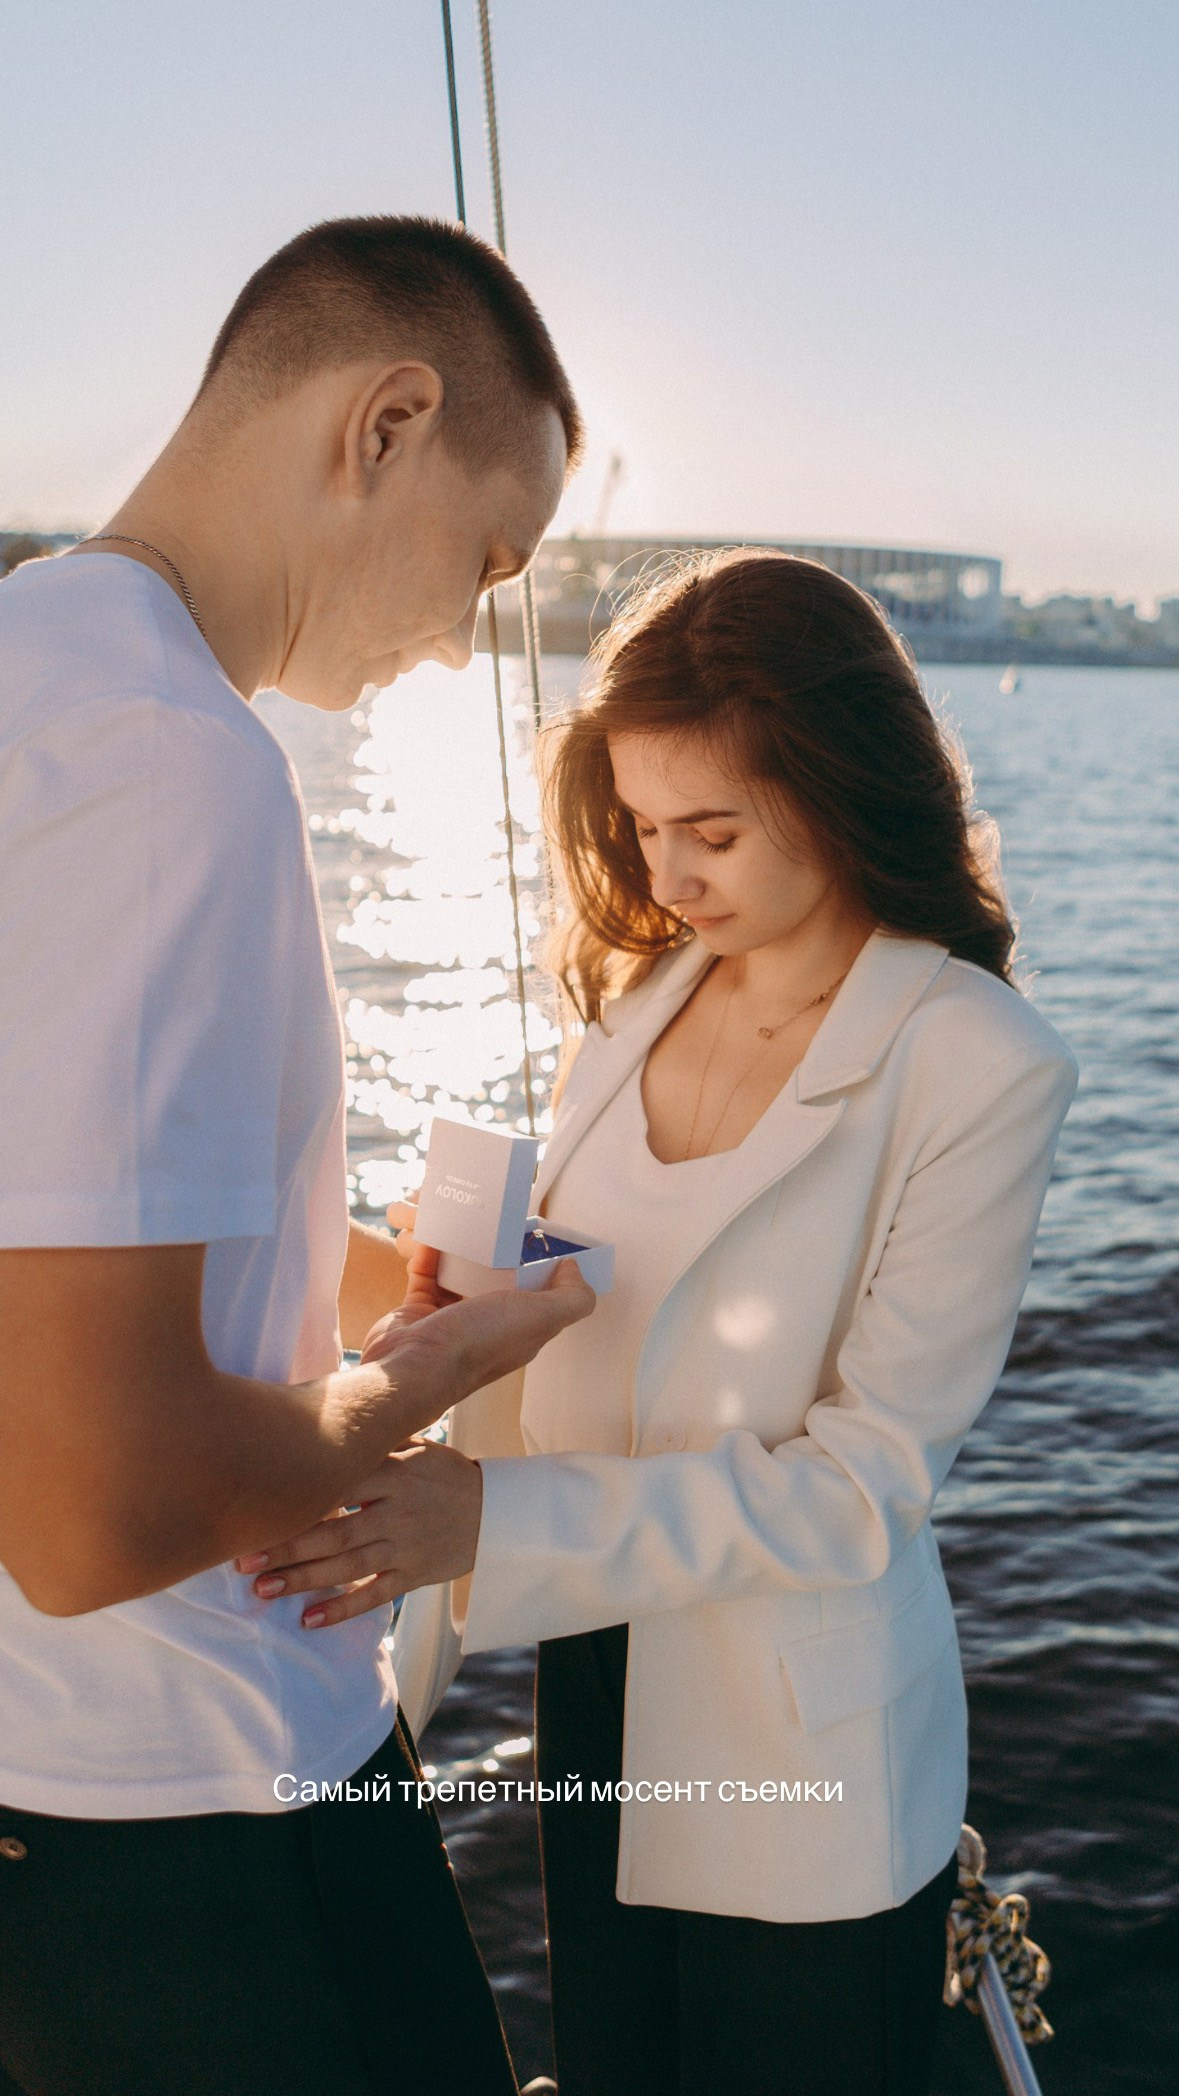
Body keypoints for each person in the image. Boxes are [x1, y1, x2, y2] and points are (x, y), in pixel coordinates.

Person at [256, 549, 1080, 2096]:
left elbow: (863, 1483)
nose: (667, 874)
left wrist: (489, 1518)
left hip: (798, 1738)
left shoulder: (979, 1062)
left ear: (842, 794)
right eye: (640, 827)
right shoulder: (637, 997)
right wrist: (413, 1297)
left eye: (712, 830)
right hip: (595, 1663)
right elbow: (591, 1294)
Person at [0, 216, 596, 2096]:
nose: (465, 632)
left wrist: (347, 1275)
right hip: (202, 1830)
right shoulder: (181, 761)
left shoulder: (35, 667)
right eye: (489, 559)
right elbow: (87, 1510)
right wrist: (417, 1376)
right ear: (385, 424)